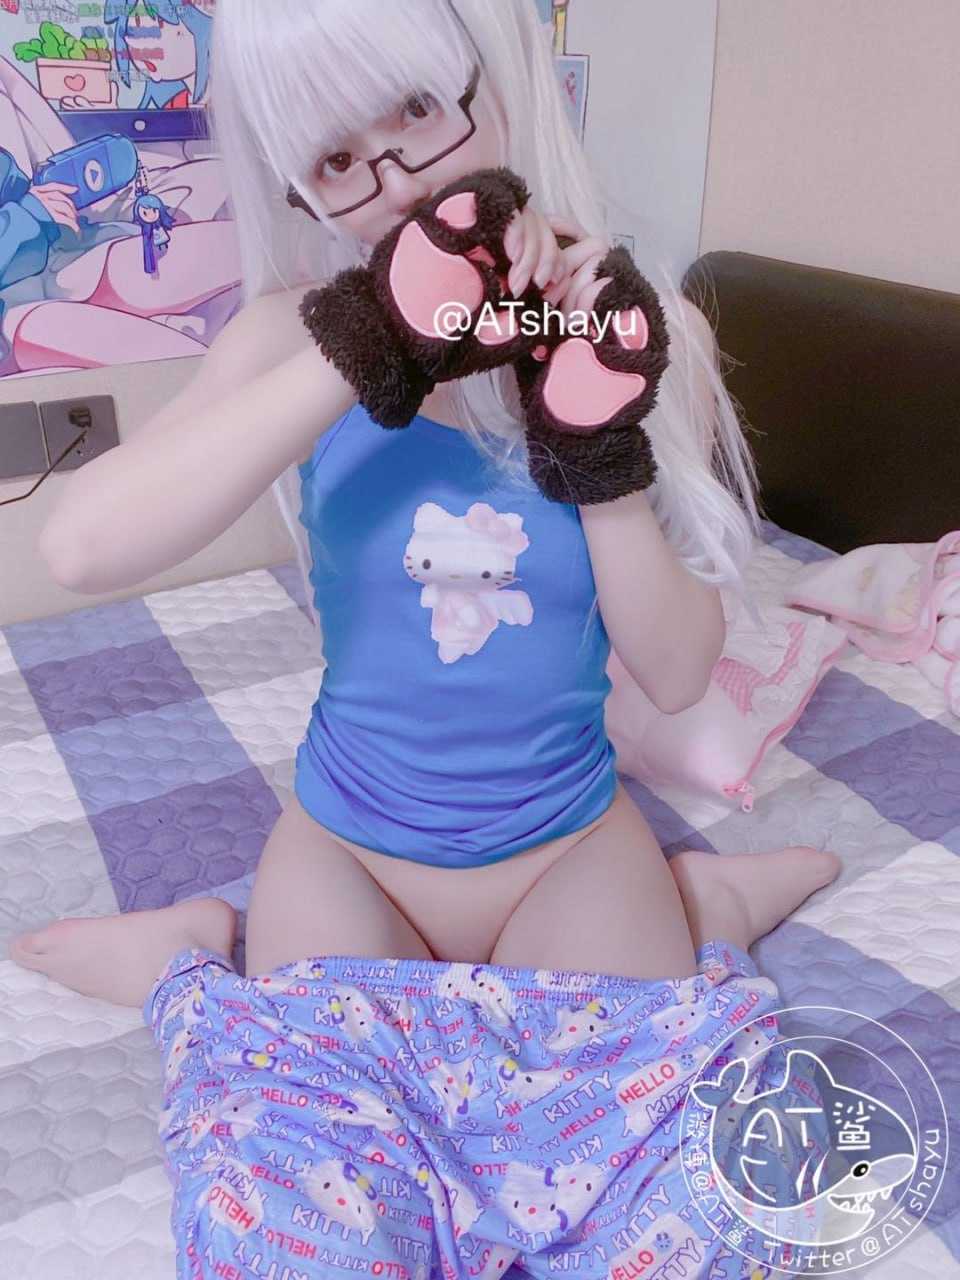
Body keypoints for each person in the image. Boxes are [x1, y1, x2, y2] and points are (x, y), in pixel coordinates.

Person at [10, 1, 840, 1274]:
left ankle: (698, 900)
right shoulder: (288, 333)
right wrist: (371, 338)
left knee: (693, 1221)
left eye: (417, 109)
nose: (401, 182)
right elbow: (79, 547)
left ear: (491, 82)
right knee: (294, 1225)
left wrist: (596, 455)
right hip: (354, 850)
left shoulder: (627, 326)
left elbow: (678, 673)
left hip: (567, 845)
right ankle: (199, 949)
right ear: (301, 187)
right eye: (338, 159)